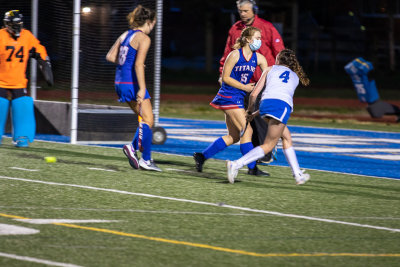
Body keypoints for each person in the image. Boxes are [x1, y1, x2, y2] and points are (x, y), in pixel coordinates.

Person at [226, 49, 311, 185]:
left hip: (265, 105)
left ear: (278, 60)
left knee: (287, 137)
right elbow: (280, 98)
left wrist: (251, 112)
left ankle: (298, 175)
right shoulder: (295, 77)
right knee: (268, 145)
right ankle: (236, 164)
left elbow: (254, 95)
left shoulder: (269, 69)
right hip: (280, 108)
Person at [193, 26, 269, 176]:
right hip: (228, 96)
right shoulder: (234, 55)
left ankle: (201, 156)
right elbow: (225, 78)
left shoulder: (259, 58)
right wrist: (246, 88)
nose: (260, 41)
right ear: (248, 39)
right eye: (257, 38)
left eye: (261, 38)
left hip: (238, 98)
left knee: (234, 137)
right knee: (247, 131)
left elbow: (267, 76)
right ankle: (252, 168)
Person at [219, 0, 285, 163]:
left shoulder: (266, 27)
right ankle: (257, 154)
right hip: (242, 83)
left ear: (254, 10)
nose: (243, 14)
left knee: (261, 117)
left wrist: (280, 73)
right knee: (248, 120)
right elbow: (228, 52)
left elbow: (279, 51)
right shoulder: (235, 28)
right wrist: (222, 72)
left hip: (262, 81)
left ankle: (265, 152)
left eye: (246, 11)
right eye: (240, 11)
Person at [106, 5, 161, 172]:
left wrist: (126, 65)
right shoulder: (144, 38)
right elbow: (138, 64)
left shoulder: (126, 34)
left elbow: (110, 56)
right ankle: (144, 158)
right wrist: (142, 89)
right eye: (154, 24)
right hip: (132, 84)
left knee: (146, 120)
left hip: (120, 83)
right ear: (150, 22)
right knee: (148, 120)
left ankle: (136, 150)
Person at [0, 10, 53, 147]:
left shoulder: (27, 36)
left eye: (19, 24)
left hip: (18, 81)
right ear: (7, 24)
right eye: (14, 24)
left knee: (23, 106)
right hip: (1, 80)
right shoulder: (1, 36)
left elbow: (39, 49)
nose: (17, 27)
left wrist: (45, 64)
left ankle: (22, 137)